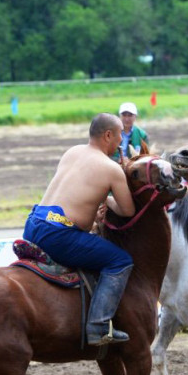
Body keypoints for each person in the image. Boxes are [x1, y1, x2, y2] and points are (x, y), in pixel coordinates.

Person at [23, 113, 136, 345]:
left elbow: (75, 196)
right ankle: (99, 326)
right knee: (120, 261)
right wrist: (108, 200)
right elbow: (127, 210)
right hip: (58, 236)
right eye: (118, 137)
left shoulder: (72, 152)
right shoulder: (111, 168)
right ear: (107, 135)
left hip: (33, 224)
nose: (120, 143)